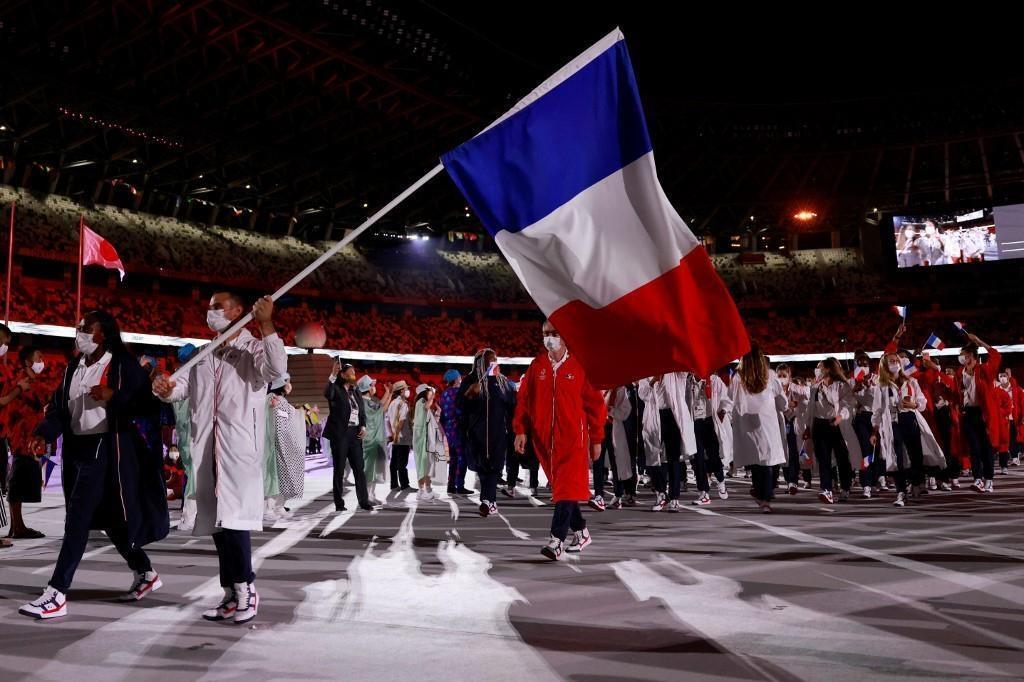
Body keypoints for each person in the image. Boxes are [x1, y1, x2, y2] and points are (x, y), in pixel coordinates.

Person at [20, 311, 170, 620]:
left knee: (77, 520)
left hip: (108, 449)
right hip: (77, 450)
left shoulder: (121, 365)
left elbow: (147, 405)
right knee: (112, 522)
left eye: (86, 329)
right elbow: (59, 408)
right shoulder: (74, 367)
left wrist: (113, 396)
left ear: (103, 334)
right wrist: (43, 433)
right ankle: (146, 572)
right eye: (78, 329)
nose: (79, 333)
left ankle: (56, 593)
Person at [152, 292, 286, 625]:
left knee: (235, 521)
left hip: (238, 450)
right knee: (217, 524)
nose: (210, 312)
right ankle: (230, 592)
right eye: (209, 307)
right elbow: (179, 386)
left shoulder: (253, 349)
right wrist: (165, 388)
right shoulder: (203, 353)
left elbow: (275, 368)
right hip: (207, 449)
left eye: (217, 307)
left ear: (238, 311)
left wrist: (267, 323)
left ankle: (247, 589)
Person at [513, 321, 604, 560]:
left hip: (573, 440)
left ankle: (556, 540)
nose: (549, 338)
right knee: (565, 490)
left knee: (564, 490)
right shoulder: (537, 366)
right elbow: (523, 400)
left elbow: (595, 406)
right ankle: (582, 532)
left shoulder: (580, 367)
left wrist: (596, 439)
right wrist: (520, 430)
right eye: (545, 334)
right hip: (545, 442)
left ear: (565, 337)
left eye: (554, 334)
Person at [870, 351, 944, 507]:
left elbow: (922, 401)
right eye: (891, 361)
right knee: (897, 457)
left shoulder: (911, 382)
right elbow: (877, 409)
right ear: (884, 365)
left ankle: (916, 482)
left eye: (896, 360)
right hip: (892, 422)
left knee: (915, 454)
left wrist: (914, 405)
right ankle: (901, 491)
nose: (895, 363)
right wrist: (875, 431)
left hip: (910, 419)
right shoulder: (881, 386)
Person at [458, 349, 516, 516]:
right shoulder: (470, 380)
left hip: (498, 432)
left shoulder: (503, 382)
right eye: (489, 361)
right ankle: (489, 501)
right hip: (477, 432)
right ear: (480, 363)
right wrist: (469, 395)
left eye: (495, 360)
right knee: (483, 468)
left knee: (495, 468)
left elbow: (512, 406)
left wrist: (516, 431)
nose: (493, 363)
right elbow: (460, 405)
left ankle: (487, 500)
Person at [731, 345, 787, 513]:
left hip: (748, 424)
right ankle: (765, 498)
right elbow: (783, 404)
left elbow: (730, 397)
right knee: (767, 461)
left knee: (755, 460)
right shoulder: (770, 376)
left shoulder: (738, 378)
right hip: (767, 424)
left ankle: (759, 492)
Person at [3, 345, 51, 540]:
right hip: (22, 437)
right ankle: (18, 527)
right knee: (17, 480)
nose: (42, 361)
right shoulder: (20, 382)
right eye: (39, 356)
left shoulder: (33, 381)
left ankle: (17, 526)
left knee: (21, 480)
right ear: (28, 362)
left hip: (31, 438)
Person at [324, 360, 373, 512]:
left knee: (359, 468)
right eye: (350, 373)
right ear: (343, 375)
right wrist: (332, 375)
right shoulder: (336, 388)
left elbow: (361, 412)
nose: (353, 375)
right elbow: (328, 394)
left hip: (355, 434)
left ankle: (364, 501)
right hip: (340, 434)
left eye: (354, 373)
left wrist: (363, 426)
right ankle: (339, 503)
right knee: (339, 469)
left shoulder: (356, 391)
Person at [955, 333, 1001, 493]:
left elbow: (995, 356)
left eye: (966, 356)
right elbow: (957, 395)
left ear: (974, 358)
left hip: (983, 414)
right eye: (962, 356)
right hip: (968, 414)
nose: (963, 359)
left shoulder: (984, 371)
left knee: (986, 448)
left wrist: (979, 341)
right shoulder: (959, 373)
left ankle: (989, 480)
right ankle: (978, 479)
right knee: (974, 447)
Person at [807, 357, 856, 504]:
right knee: (823, 460)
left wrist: (841, 417)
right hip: (819, 425)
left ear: (828, 369)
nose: (817, 370)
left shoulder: (841, 386)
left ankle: (845, 487)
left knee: (842, 458)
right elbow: (811, 410)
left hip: (837, 425)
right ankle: (826, 489)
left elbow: (849, 405)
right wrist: (807, 428)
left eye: (819, 367)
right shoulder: (815, 388)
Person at [685, 372, 732, 506]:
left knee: (713, 456)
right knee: (698, 460)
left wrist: (723, 411)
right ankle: (703, 493)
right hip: (694, 423)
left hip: (710, 421)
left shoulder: (714, 380)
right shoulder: (688, 382)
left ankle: (720, 479)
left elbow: (726, 399)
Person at [265, 375, 307, 520]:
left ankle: (279, 505)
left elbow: (292, 418)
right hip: (273, 445)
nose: (290, 385)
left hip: (286, 445)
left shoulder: (283, 401)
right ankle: (268, 508)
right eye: (288, 382)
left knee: (284, 476)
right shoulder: (271, 399)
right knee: (273, 477)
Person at [171, 344, 197, 531]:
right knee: (196, 476)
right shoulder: (191, 377)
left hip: (184, 433)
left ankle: (190, 515)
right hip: (193, 433)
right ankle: (189, 517)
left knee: (192, 475)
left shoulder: (177, 376)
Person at [358, 375, 392, 503]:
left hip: (374, 440)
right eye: (372, 385)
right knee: (369, 469)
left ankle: (371, 495)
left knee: (374, 469)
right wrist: (389, 393)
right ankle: (366, 496)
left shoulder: (368, 401)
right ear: (367, 387)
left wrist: (389, 393)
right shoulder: (364, 402)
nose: (374, 388)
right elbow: (381, 408)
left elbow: (381, 407)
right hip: (369, 441)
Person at [438, 369, 471, 495]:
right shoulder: (459, 393)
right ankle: (460, 485)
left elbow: (443, 417)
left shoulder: (444, 394)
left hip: (449, 431)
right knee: (462, 458)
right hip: (459, 430)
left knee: (453, 459)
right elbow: (461, 412)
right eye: (459, 377)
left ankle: (451, 485)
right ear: (456, 379)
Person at [386, 381, 414, 493]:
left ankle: (394, 484)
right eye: (406, 389)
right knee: (402, 462)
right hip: (402, 437)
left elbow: (388, 421)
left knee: (394, 462)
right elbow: (402, 420)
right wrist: (397, 434)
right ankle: (405, 485)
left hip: (395, 436)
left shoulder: (392, 403)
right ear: (401, 390)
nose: (407, 391)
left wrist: (392, 435)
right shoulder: (403, 404)